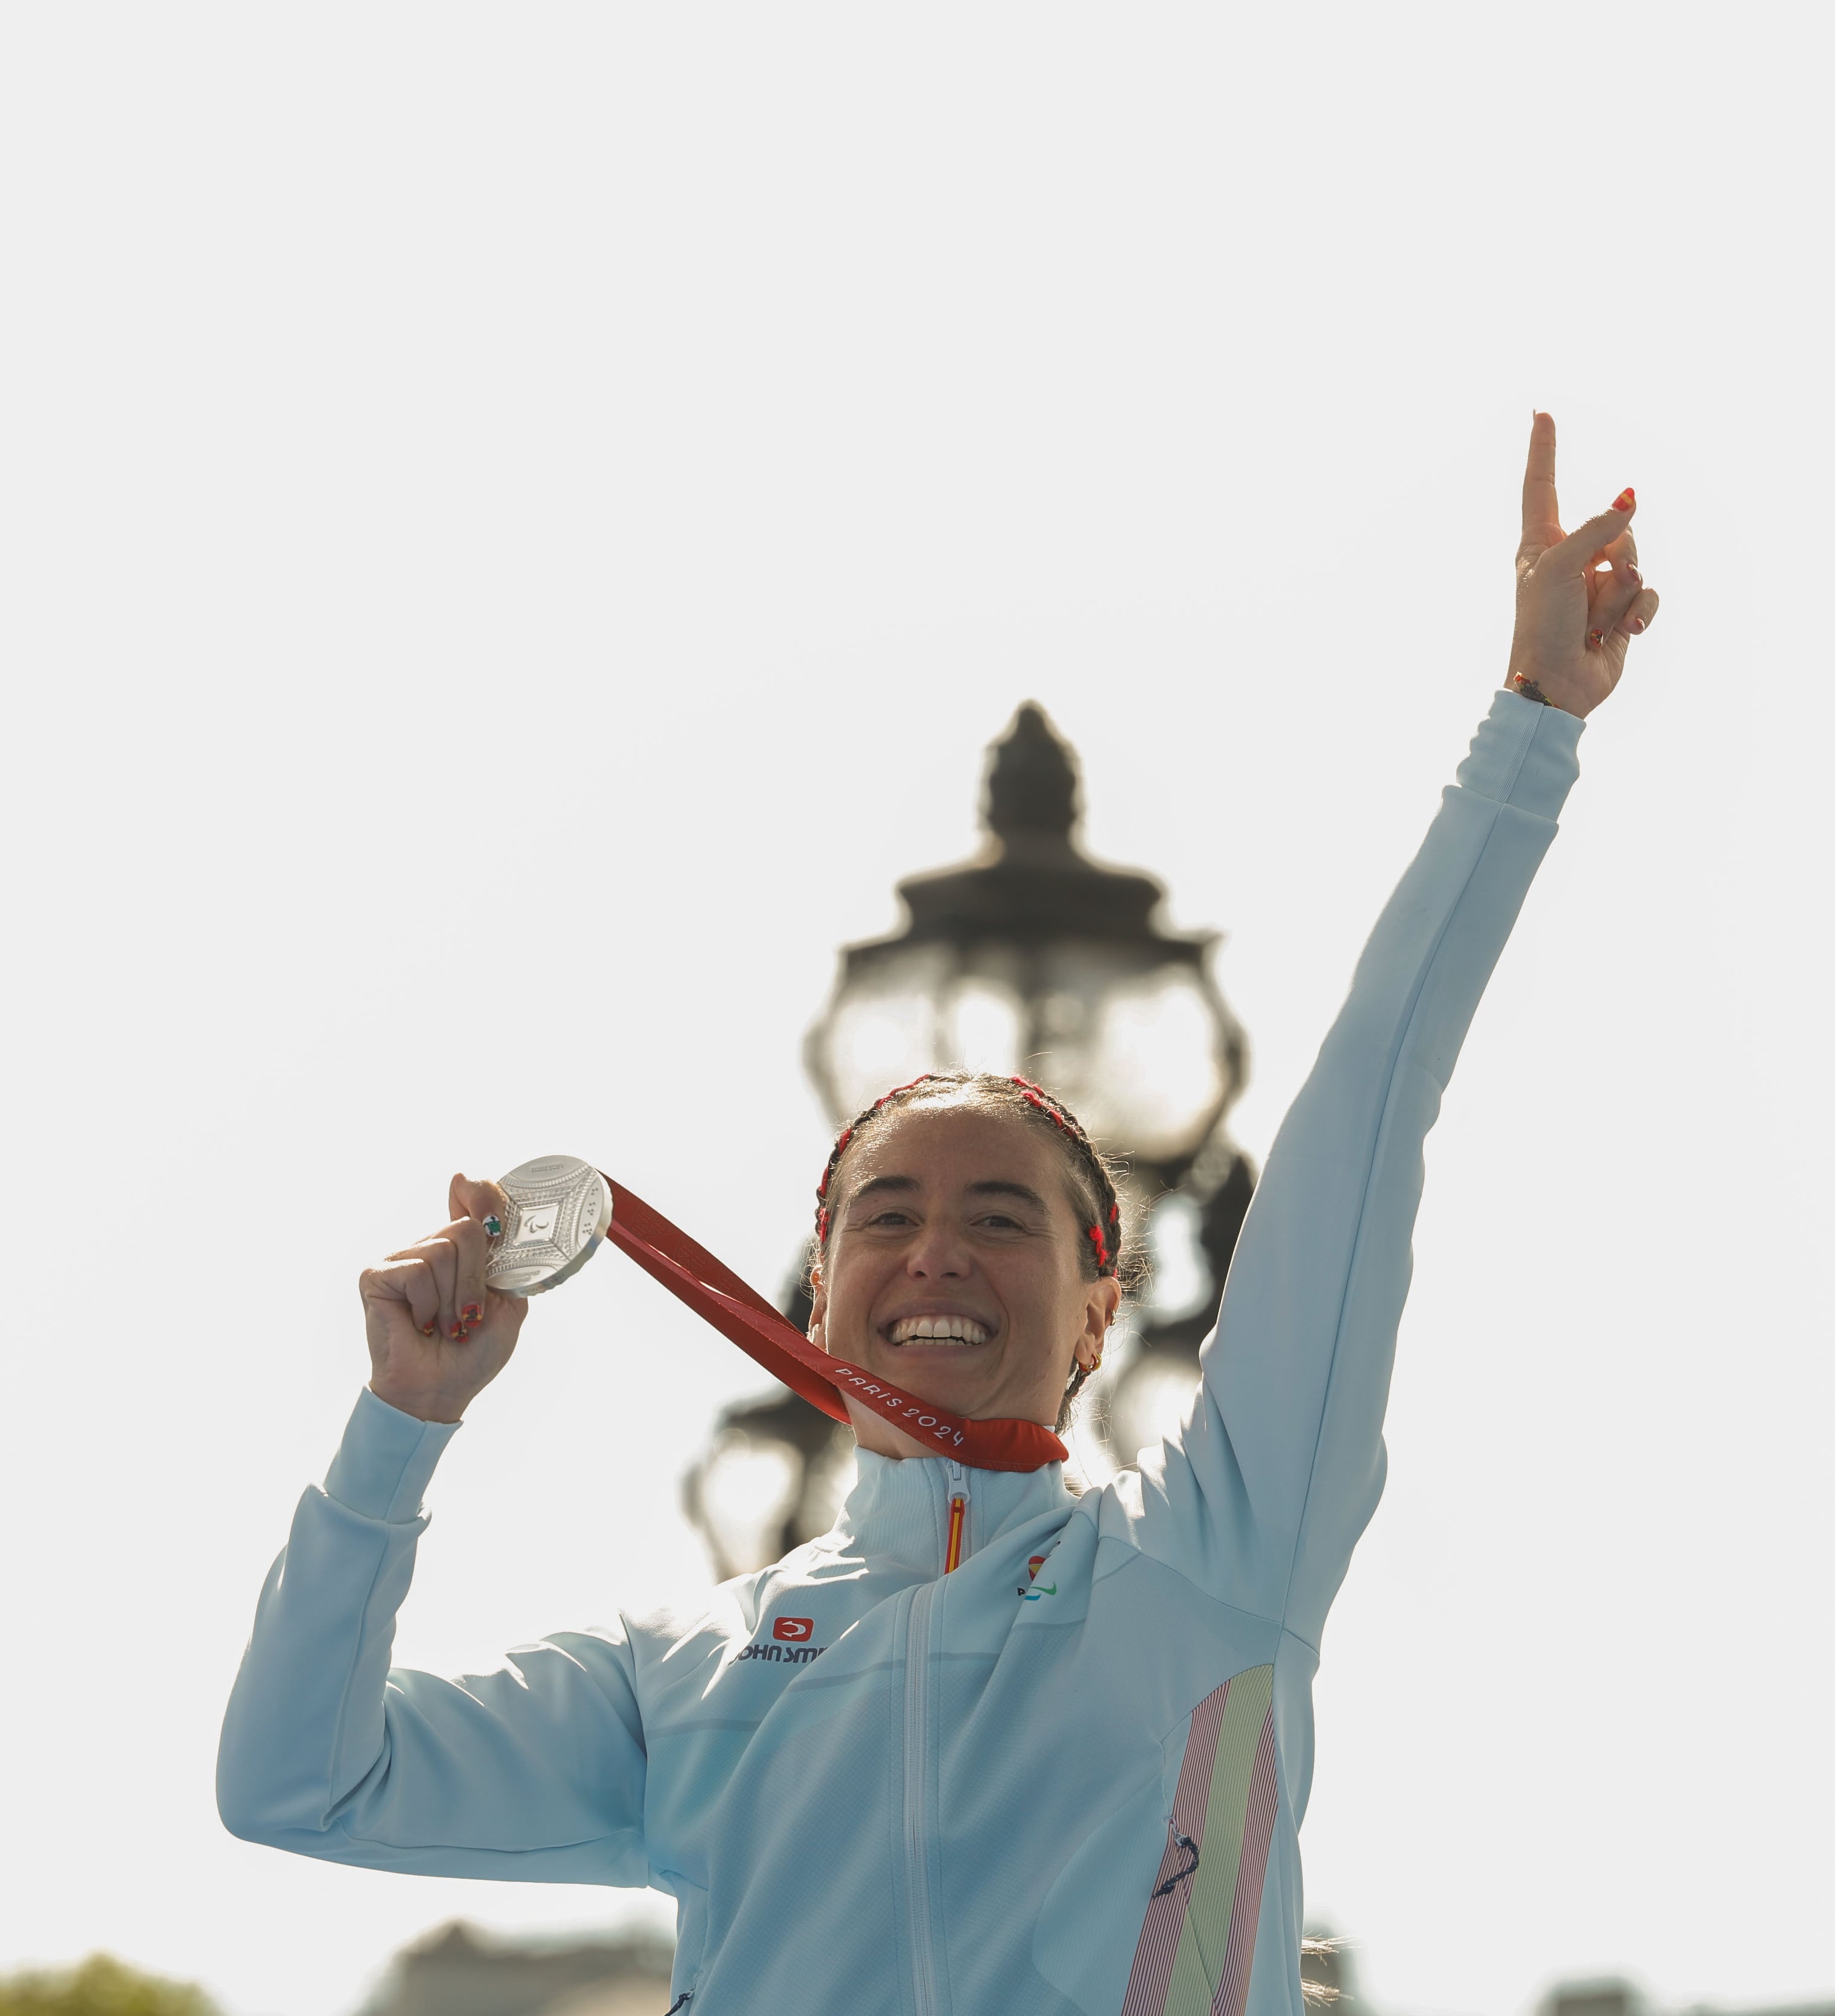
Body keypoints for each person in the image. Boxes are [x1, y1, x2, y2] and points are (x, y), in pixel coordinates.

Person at [218, 413, 1662, 2015]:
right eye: (886, 1214)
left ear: (1104, 1305)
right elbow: (297, 1783)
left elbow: (1372, 1100)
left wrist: (1532, 723)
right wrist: (398, 1427)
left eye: (1004, 1218)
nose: (937, 1250)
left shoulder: (1217, 1557)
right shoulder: (688, 1673)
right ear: (818, 1293)